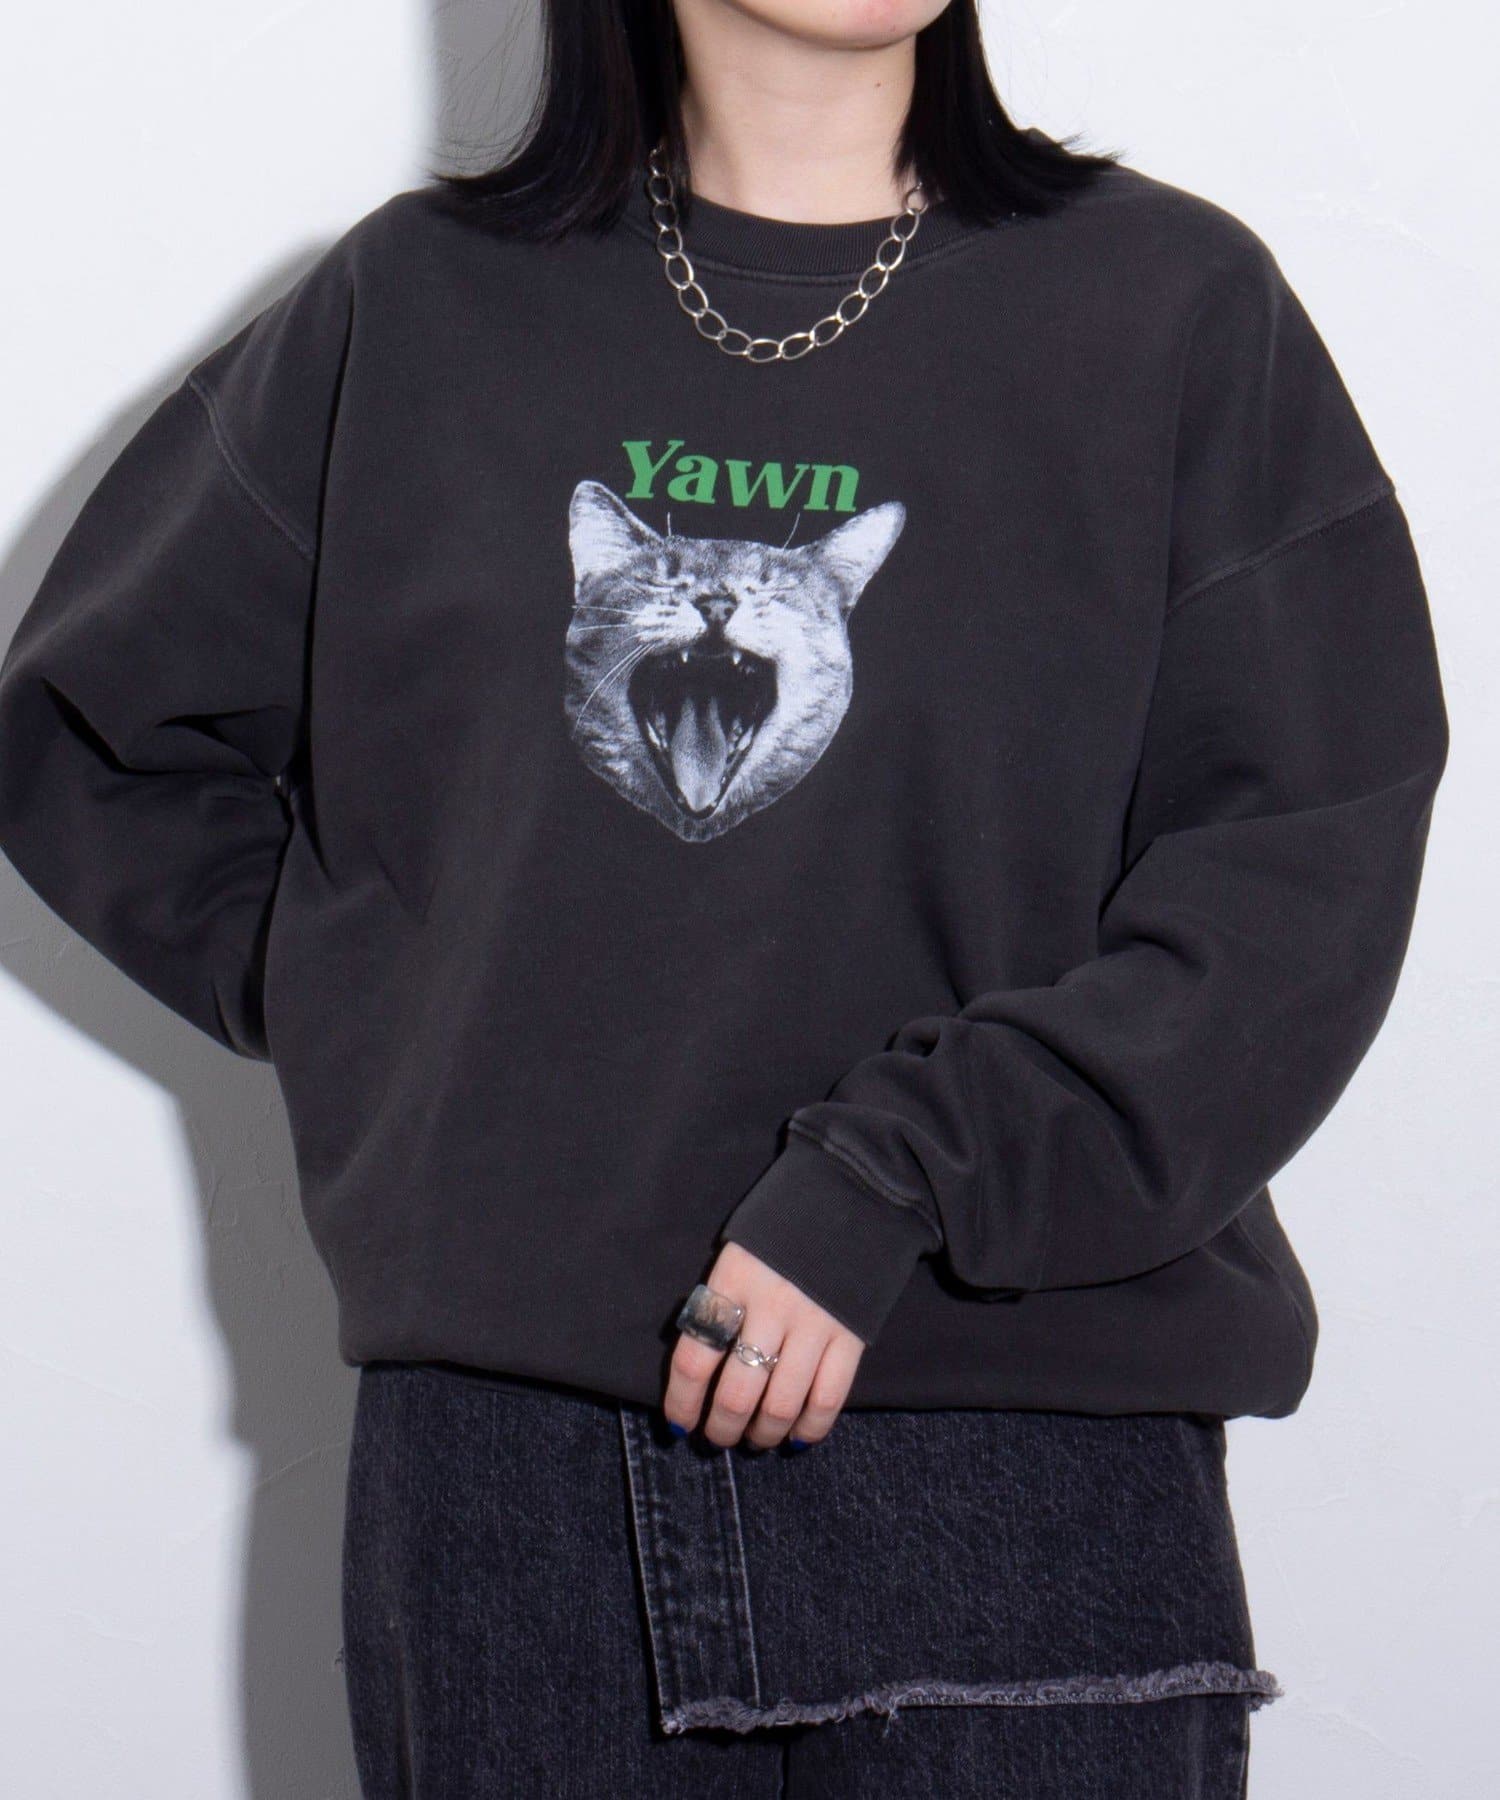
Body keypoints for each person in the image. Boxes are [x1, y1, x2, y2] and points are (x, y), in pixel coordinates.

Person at [0, 2, 1448, 1795]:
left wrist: (914, 1173)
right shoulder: (419, 312)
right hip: (516, 1486)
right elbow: (91, 739)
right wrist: (400, 1015)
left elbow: (1302, 867)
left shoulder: (1169, 312)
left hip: (1011, 1442)